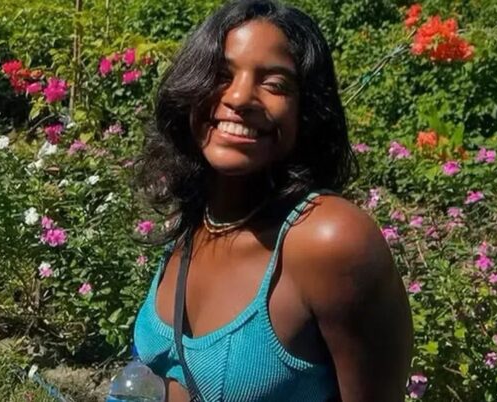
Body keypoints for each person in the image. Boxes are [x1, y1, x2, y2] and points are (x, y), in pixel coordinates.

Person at [132, 0, 413, 400]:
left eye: (275, 84)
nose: (239, 97)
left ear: (307, 111)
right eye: (220, 75)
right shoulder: (199, 219)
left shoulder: (329, 240)